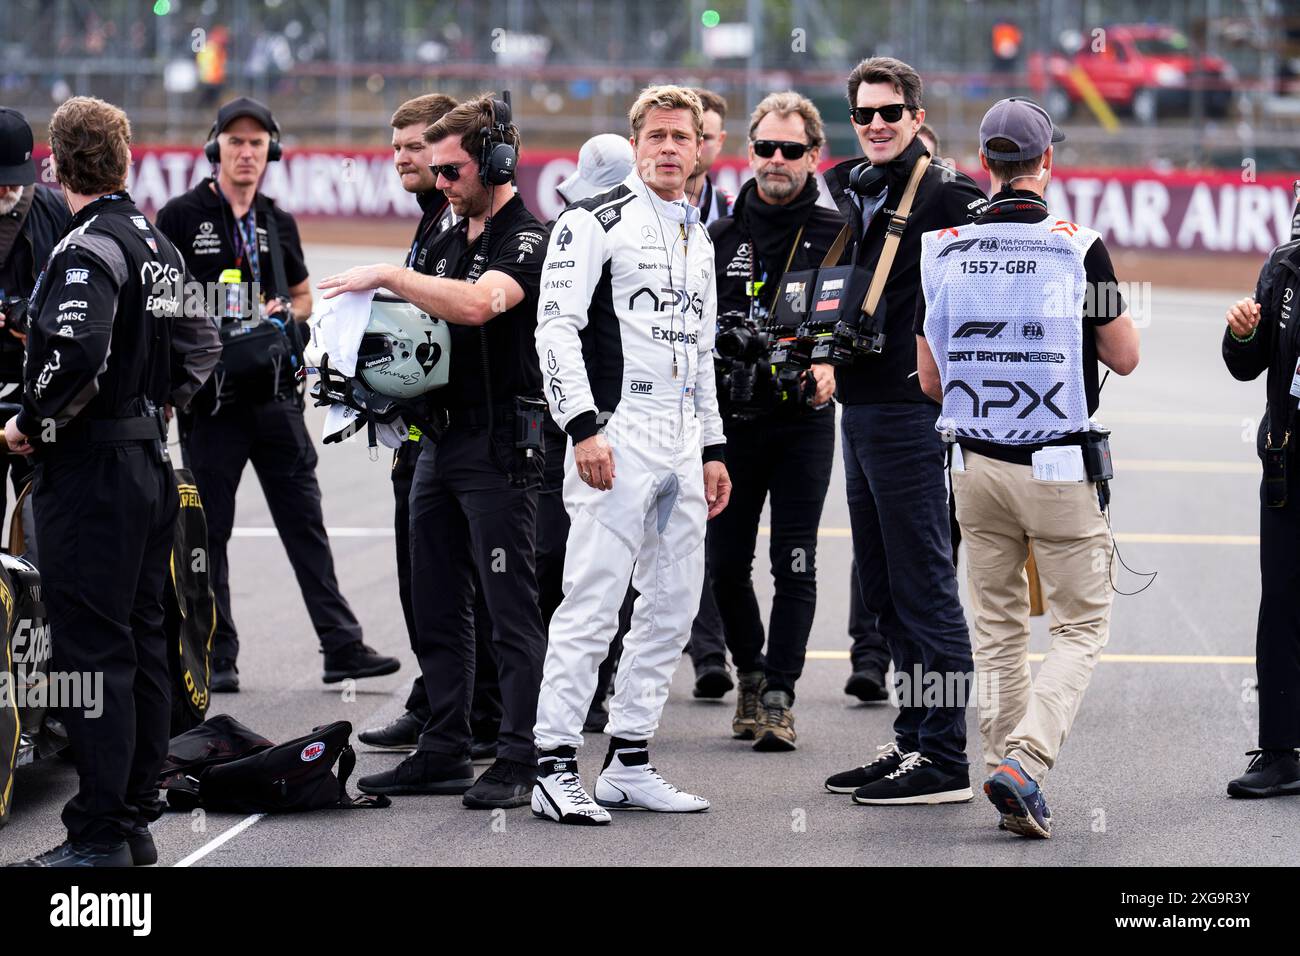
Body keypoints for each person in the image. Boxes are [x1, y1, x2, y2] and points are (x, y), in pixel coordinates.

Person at [917, 97, 1140, 837]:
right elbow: (1124, 355)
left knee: (999, 629)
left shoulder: (941, 246)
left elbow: (928, 380)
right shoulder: (1082, 246)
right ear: (1048, 162)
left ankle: (1005, 773)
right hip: (1056, 469)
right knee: (1080, 628)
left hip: (973, 467)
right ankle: (1027, 762)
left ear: (985, 164)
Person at [7, 96, 221, 866]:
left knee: (89, 655)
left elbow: (75, 353)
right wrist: (158, 407)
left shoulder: (86, 246)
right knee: (141, 641)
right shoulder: (157, 241)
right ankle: (132, 819)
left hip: (92, 471)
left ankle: (98, 831)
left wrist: (28, 423)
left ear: (57, 166)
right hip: (148, 463)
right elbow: (203, 344)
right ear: (126, 159)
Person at [321, 94, 549, 810]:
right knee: (438, 601)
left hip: (502, 446)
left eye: (452, 169)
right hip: (439, 442)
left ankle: (520, 755)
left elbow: (481, 305)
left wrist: (388, 275)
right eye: (435, 167)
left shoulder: (527, 236)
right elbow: (420, 339)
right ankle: (444, 748)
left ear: (495, 161)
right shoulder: (447, 233)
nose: (438, 180)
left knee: (512, 610)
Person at [531, 85, 731, 825]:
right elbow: (555, 329)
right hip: (618, 430)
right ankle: (553, 764)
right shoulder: (592, 219)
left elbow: (702, 350)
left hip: (683, 438)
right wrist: (583, 427)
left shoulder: (699, 235)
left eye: (683, 136)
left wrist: (712, 447)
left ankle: (630, 760)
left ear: (702, 145)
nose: (670, 147)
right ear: (636, 141)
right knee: (591, 602)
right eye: (656, 136)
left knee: (673, 608)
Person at [156, 97, 397, 693]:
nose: (246, 152)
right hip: (211, 403)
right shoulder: (181, 215)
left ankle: (341, 646)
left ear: (271, 152)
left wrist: (283, 310)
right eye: (235, 142)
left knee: (306, 524)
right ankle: (218, 653)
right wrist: (224, 309)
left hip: (276, 398)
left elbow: (305, 295)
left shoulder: (275, 220)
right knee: (209, 533)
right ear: (216, 149)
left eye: (256, 143)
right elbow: (158, 301)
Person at [821, 57, 987, 806]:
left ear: (918, 117)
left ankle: (946, 757)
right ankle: (915, 739)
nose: (878, 125)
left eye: (891, 112)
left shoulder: (948, 193)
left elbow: (989, 293)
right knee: (886, 592)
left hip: (912, 413)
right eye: (864, 115)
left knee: (925, 587)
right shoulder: (856, 188)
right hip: (861, 407)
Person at [355, 93, 504, 759]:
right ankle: (442, 705)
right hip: (421, 433)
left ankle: (476, 713)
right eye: (398, 150)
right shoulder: (435, 222)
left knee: (466, 584)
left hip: (471, 435)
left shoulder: (475, 225)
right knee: (429, 583)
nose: (406, 161)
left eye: (417, 148)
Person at [706, 91, 842, 751]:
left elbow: (862, 323)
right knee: (726, 563)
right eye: (765, 148)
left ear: (815, 155)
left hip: (802, 422)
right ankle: (750, 672)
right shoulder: (720, 236)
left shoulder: (838, 230)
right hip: (730, 422)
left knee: (795, 561)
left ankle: (781, 694)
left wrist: (830, 365)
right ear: (749, 151)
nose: (777, 160)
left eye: (792, 149)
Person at [1222, 225, 1300, 800]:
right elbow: (1247, 366)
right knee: (1281, 605)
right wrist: (1242, 336)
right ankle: (1279, 751)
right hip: (1288, 465)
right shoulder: (1284, 267)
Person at [0, 107, 69, 554]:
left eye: (14, 176)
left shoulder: (58, 212)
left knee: (47, 533)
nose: (6, 187)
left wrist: (34, 319)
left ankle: (43, 624)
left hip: (36, 397)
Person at [684, 88, 732, 227]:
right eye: (684, 136)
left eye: (706, 137)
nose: (696, 147)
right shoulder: (630, 205)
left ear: (720, 141)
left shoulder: (736, 212)